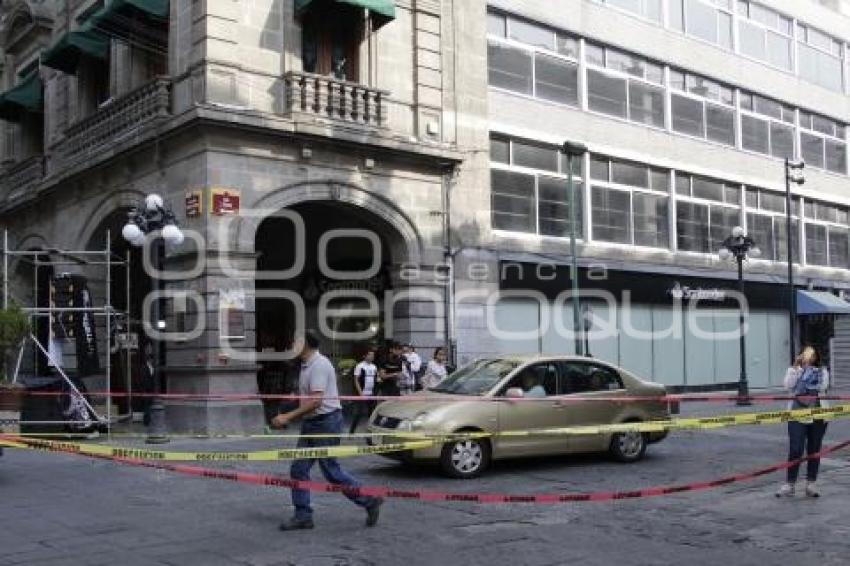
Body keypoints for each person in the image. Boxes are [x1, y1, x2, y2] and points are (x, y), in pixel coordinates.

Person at [271, 331, 383, 530]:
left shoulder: (319, 364)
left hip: (326, 422)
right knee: (299, 469)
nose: (292, 344)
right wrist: (292, 401)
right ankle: (303, 515)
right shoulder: (306, 365)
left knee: (331, 471)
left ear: (305, 344)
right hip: (312, 422)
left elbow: (316, 401)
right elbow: (310, 397)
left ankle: (370, 500)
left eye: (296, 341)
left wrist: (287, 417)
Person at [776, 346, 830, 499]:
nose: (808, 357)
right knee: (795, 449)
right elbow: (787, 385)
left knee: (814, 449)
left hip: (818, 414)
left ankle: (811, 483)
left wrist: (810, 372)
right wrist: (797, 369)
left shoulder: (822, 371)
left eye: (811, 355)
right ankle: (790, 484)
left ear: (816, 357)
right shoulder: (794, 370)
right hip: (796, 414)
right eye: (806, 354)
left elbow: (822, 386)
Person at [349, 348, 378, 434]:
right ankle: (351, 432)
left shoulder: (374, 366)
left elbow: (375, 379)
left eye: (373, 355)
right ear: (365, 356)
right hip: (361, 393)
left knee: (372, 414)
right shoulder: (360, 366)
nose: (372, 356)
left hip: (371, 394)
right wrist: (360, 393)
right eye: (370, 355)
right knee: (358, 414)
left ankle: (370, 433)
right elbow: (356, 380)